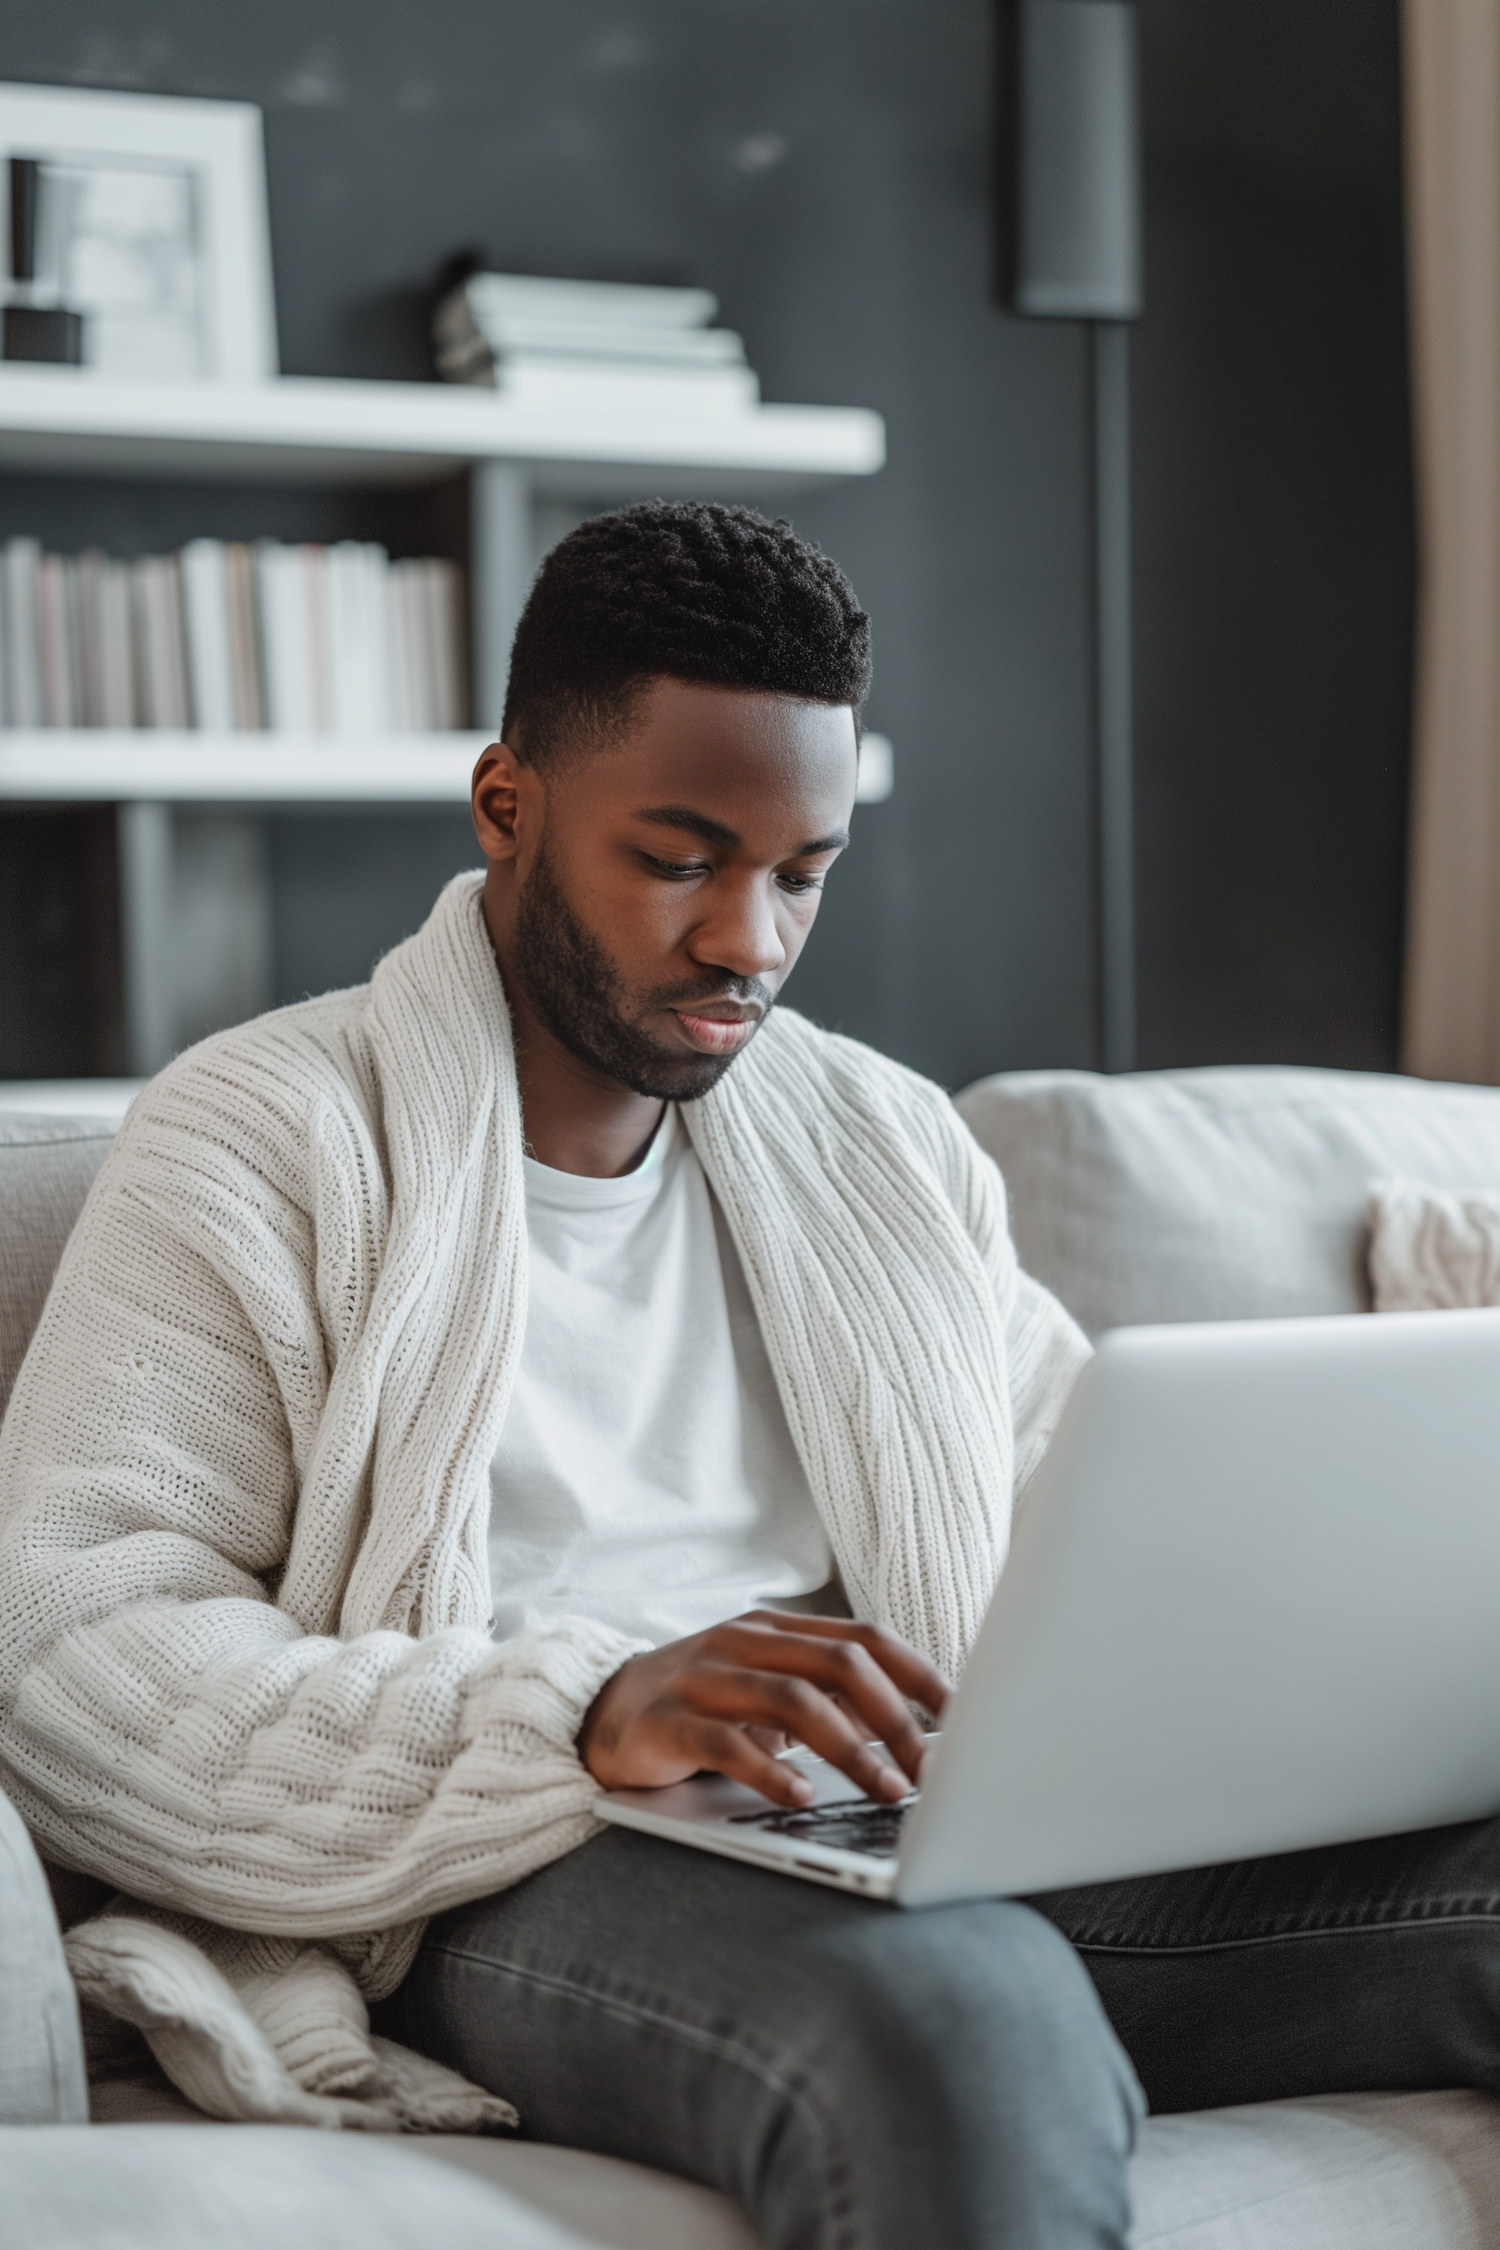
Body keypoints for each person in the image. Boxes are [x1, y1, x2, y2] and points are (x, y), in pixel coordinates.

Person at [3, 502, 1499, 2249]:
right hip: (512, 1853)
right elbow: (71, 1649)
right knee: (960, 2012)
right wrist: (577, 1712)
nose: (751, 944)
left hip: (909, 1824)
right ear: (510, 806)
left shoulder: (888, 1144)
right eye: (682, 856)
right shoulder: (260, 1140)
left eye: (801, 874)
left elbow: (1094, 1504)